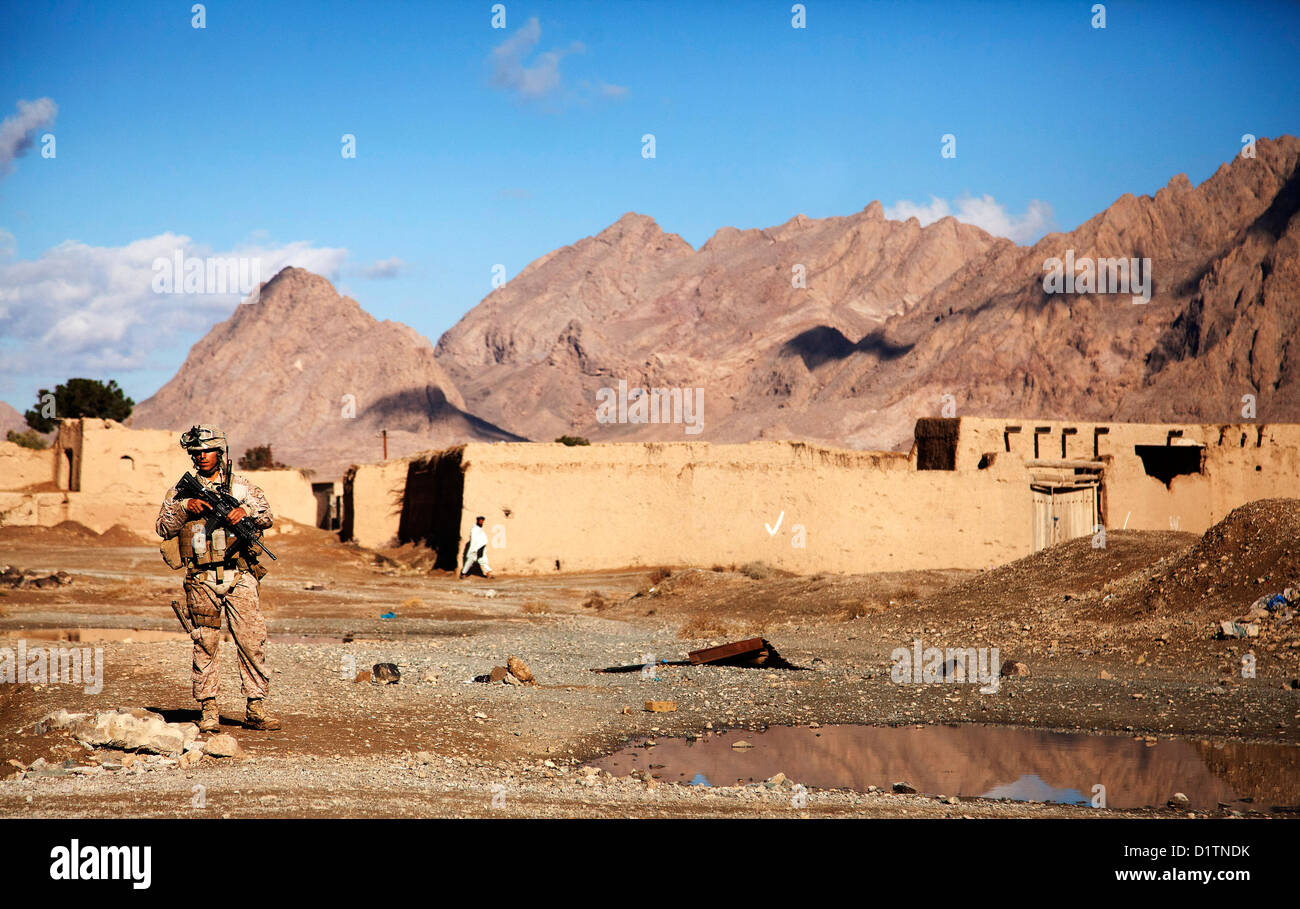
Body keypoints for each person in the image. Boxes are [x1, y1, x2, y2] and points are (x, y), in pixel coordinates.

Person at [156, 424, 281, 733]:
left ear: (219, 452)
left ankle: (255, 706)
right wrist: (186, 507)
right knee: (206, 642)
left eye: (207, 451)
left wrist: (245, 510)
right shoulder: (181, 492)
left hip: (240, 574)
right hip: (201, 577)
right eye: (196, 453)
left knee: (251, 640)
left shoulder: (241, 487)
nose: (201, 457)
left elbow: (267, 515)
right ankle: (209, 709)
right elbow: (162, 528)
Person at [460, 514, 493, 579]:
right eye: (480, 520)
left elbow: (482, 539)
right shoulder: (474, 529)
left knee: (483, 560)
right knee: (470, 561)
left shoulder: (480, 529)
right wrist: (476, 548)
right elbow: (474, 540)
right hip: (475, 549)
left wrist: (482, 547)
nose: (481, 522)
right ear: (477, 521)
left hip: (481, 548)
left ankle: (488, 574)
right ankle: (463, 573)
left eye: (482, 521)